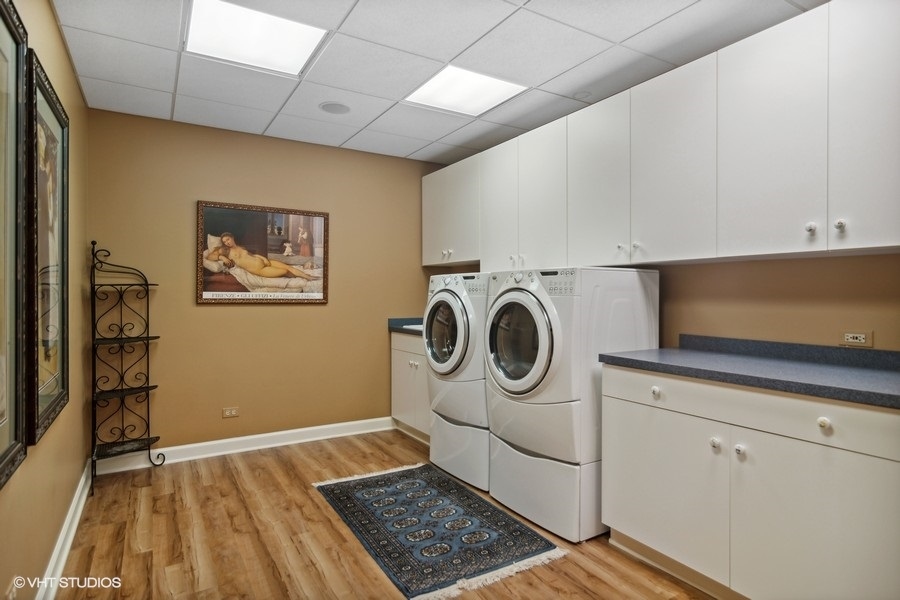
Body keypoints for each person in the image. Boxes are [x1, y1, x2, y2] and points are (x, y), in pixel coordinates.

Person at [207, 232, 319, 280]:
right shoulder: (225, 250)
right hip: (260, 270)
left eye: (228, 239)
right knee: (284, 271)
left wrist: (263, 258)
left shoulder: (241, 247)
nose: (227, 242)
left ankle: (308, 277)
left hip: (263, 261)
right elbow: (209, 257)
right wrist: (221, 257)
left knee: (288, 267)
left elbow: (252, 255)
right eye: (224, 241)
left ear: (232, 238)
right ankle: (302, 277)